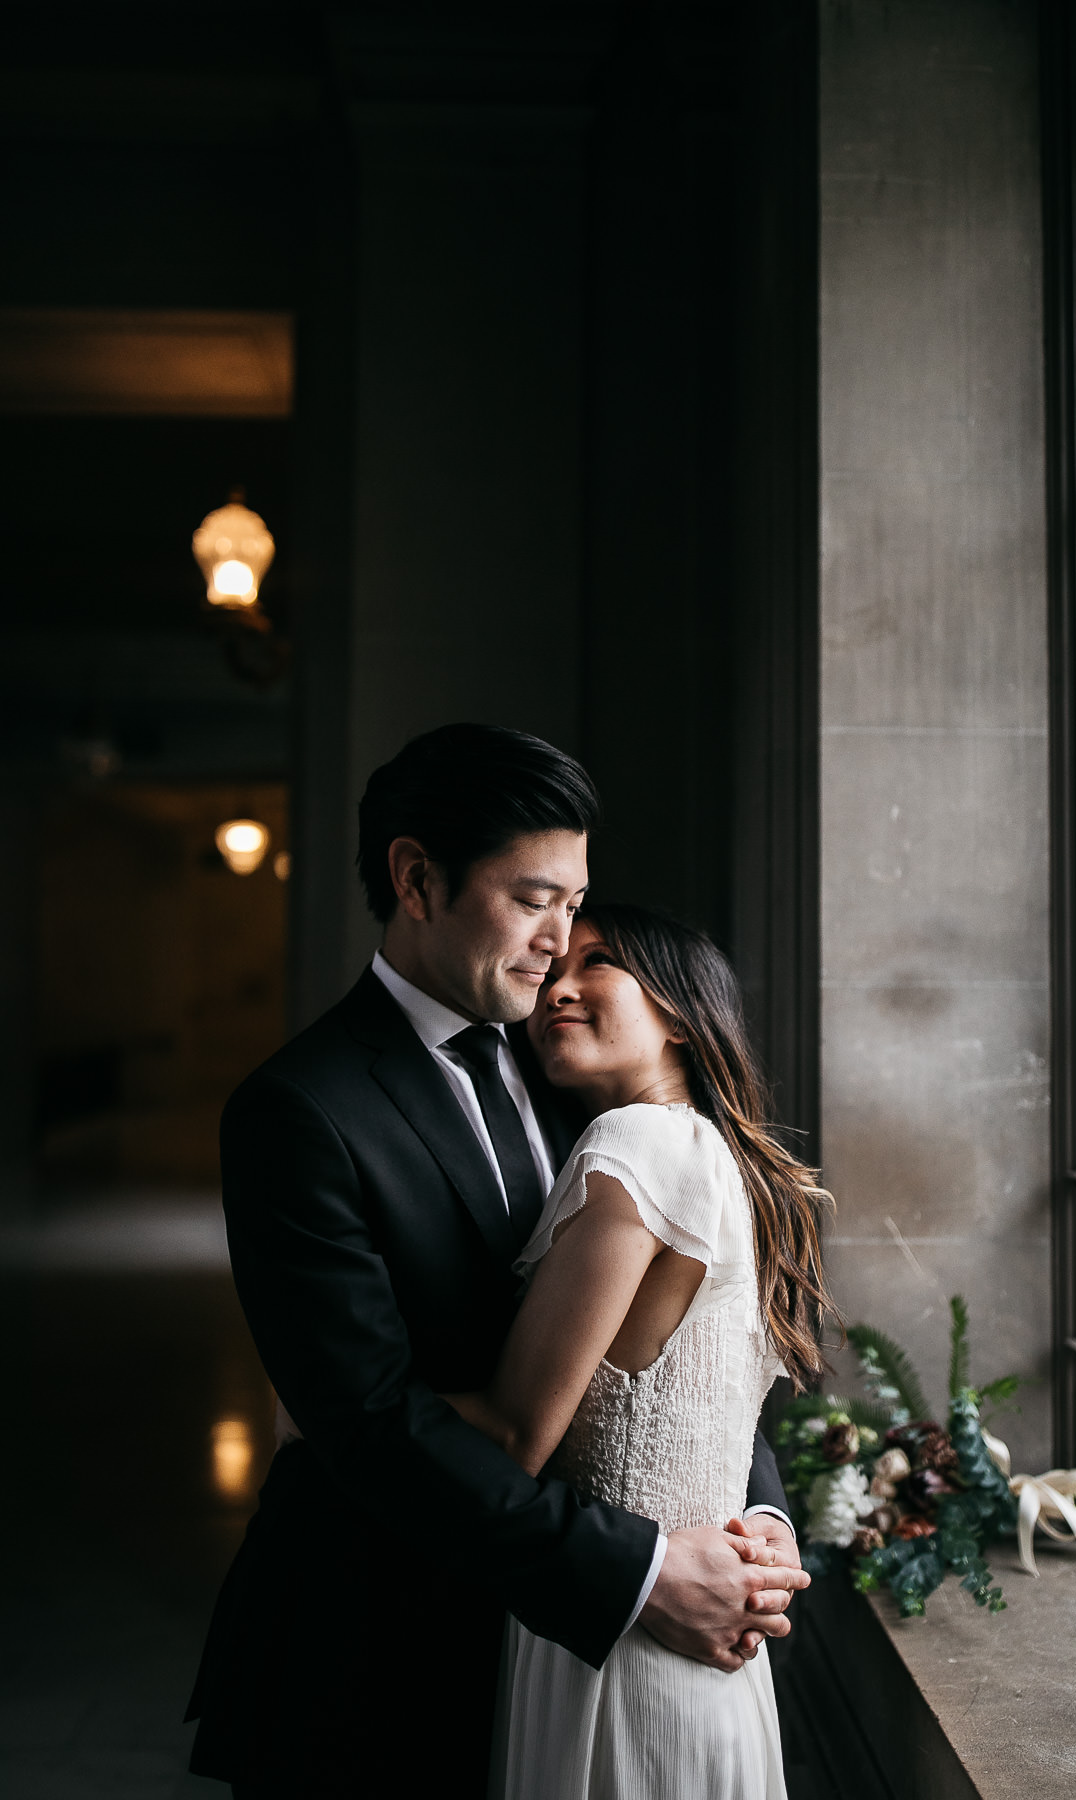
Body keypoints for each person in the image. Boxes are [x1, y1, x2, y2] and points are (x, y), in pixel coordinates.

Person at [185, 723, 807, 1799]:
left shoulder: (579, 1058)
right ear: (417, 879)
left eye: (574, 906)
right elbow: (372, 1425)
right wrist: (642, 1573)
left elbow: (678, 1325)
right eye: (533, 899)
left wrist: (751, 1522)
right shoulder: (298, 1112)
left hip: (569, 1656)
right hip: (380, 1651)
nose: (561, 946)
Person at [446, 902, 833, 1798]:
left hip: (620, 1639)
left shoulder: (632, 1145)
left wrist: (325, 1411)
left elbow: (513, 1433)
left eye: (602, 964)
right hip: (706, 1650)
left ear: (681, 1012)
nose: (561, 988)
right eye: (554, 970)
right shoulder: (731, 1160)